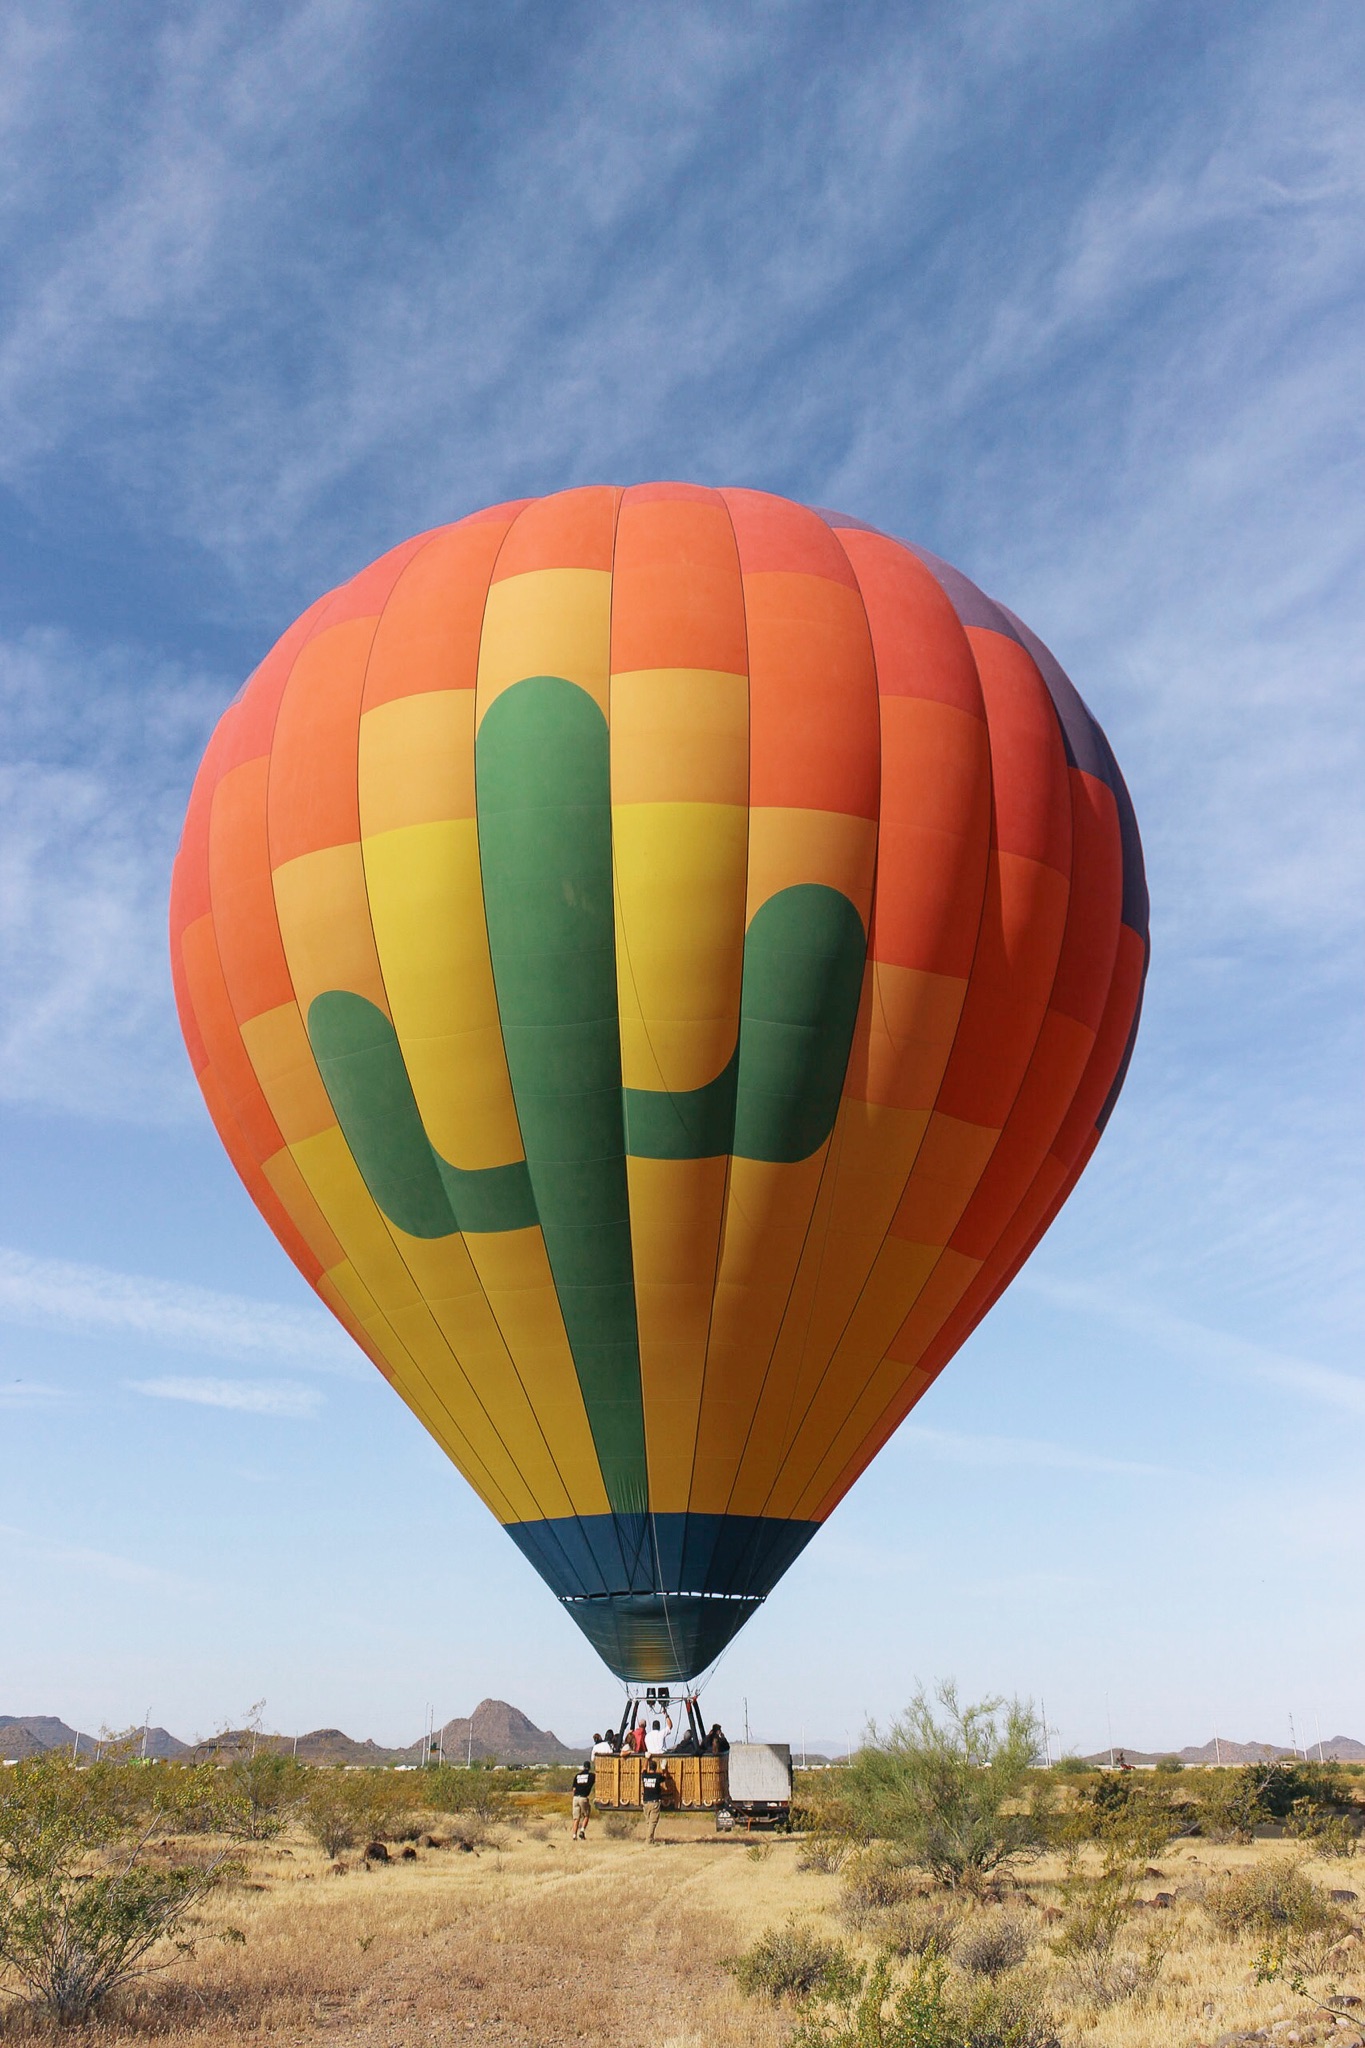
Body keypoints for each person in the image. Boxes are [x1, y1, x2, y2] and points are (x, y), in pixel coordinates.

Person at [641, 1757, 669, 1843]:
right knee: (653, 1822)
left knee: (648, 1822)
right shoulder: (657, 1776)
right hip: (654, 1803)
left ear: (650, 1767)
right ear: (656, 1768)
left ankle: (650, 1839)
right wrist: (664, 1768)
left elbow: (643, 1769)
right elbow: (665, 1777)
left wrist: (646, 1759)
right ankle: (648, 1840)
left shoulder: (645, 1776)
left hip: (645, 1802)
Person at [569, 1757, 595, 1839]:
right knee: (586, 1815)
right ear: (589, 1767)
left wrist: (574, 1797)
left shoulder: (577, 1776)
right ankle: (582, 1831)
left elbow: (574, 1789)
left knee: (576, 1818)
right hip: (583, 1798)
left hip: (575, 1798)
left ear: (583, 1767)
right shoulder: (591, 1776)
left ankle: (574, 1836)